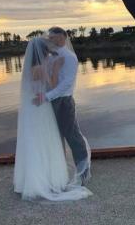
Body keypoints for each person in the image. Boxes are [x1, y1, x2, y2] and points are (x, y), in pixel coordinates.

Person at [14, 37, 91, 201]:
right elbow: (53, 86)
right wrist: (55, 69)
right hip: (42, 109)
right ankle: (50, 178)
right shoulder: (41, 68)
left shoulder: (31, 67)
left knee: (34, 143)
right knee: (47, 140)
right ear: (42, 51)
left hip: (32, 109)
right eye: (47, 47)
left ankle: (30, 178)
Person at [33, 26, 91, 185]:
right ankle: (59, 171)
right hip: (50, 100)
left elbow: (67, 84)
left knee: (72, 134)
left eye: (55, 37)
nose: (52, 40)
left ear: (64, 37)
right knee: (54, 135)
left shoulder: (70, 57)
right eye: (50, 38)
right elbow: (50, 79)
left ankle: (83, 170)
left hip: (63, 101)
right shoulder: (51, 57)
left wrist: (47, 97)